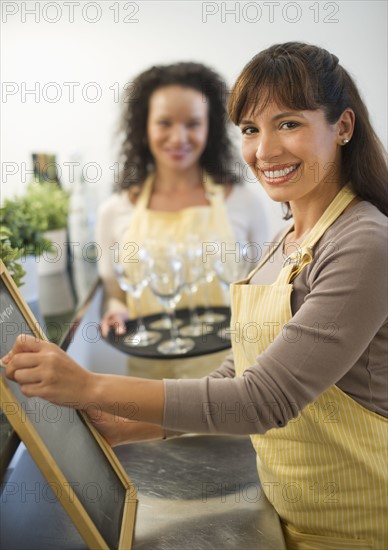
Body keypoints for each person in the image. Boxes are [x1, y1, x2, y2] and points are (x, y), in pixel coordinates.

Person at [4, 42, 387, 549]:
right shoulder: (290, 234)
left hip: (358, 524)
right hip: (297, 511)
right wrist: (139, 426)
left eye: (288, 123)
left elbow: (262, 400)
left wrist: (89, 386)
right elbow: (244, 368)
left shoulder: (364, 243)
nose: (264, 151)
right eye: (250, 129)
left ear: (343, 126)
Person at [96, 62, 268, 337]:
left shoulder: (244, 204)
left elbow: (262, 294)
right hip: (149, 373)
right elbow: (115, 294)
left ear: (209, 128)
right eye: (165, 123)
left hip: (232, 370)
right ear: (144, 127)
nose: (179, 138)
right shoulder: (113, 211)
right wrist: (115, 310)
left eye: (193, 124)